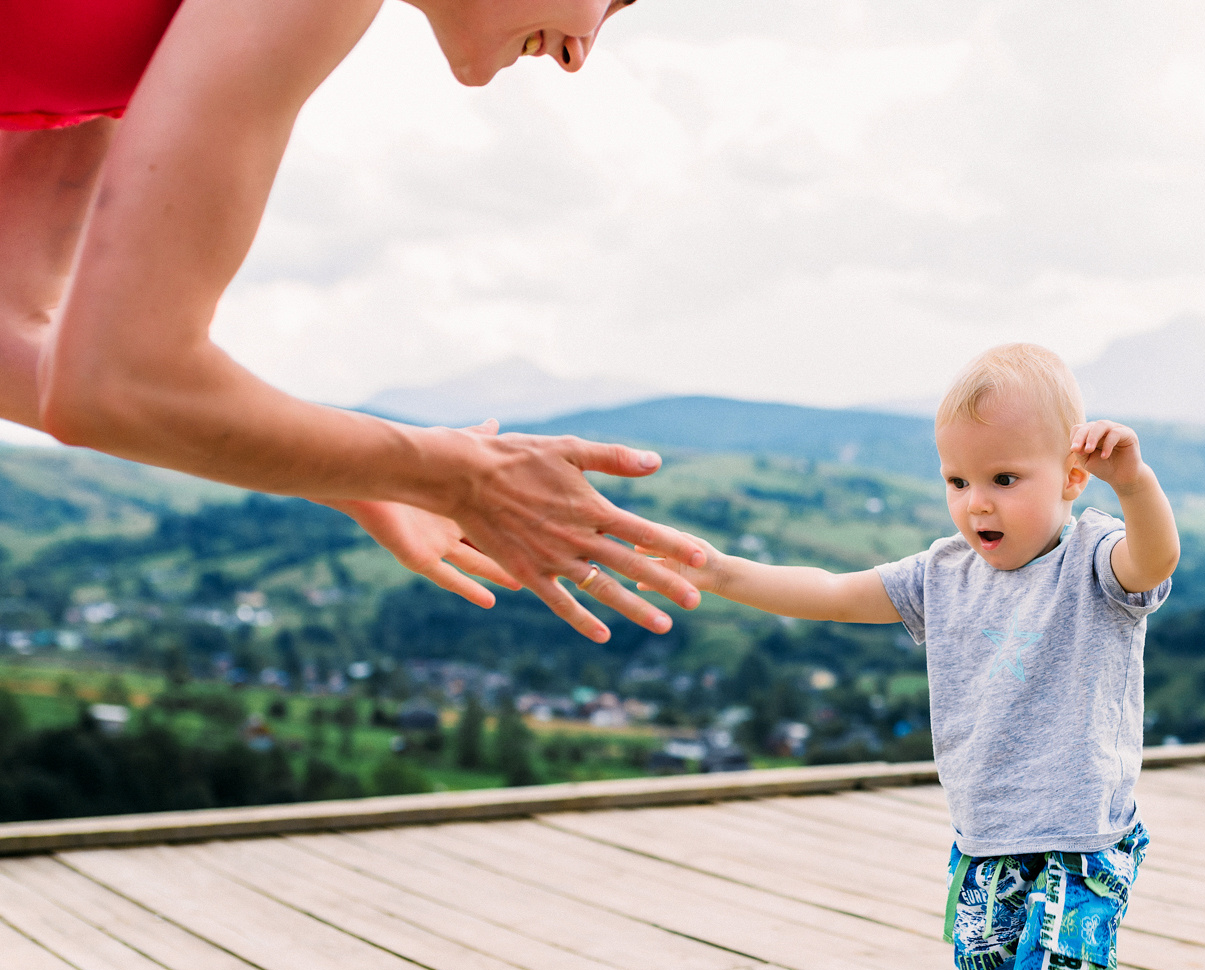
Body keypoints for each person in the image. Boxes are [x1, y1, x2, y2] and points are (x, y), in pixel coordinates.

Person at [0, 0, 704, 642]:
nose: (581, 50)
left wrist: (369, 474)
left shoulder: (120, 56)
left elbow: (29, 345)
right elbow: (116, 385)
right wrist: (459, 477)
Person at [665, 343, 1179, 970]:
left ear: (1071, 479)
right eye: (958, 480)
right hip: (987, 835)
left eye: (1005, 478)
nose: (978, 502)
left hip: (1083, 826)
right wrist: (718, 572)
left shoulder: (1094, 560)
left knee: (1063, 961)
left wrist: (1136, 483)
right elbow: (830, 591)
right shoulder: (942, 575)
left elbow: (1154, 561)